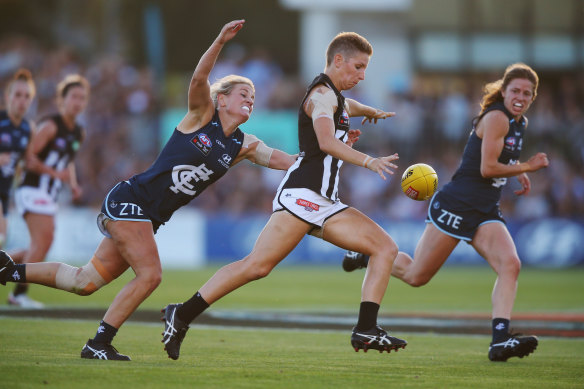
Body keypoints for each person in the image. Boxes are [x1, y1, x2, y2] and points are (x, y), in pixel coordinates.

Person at [0, 19, 299, 361]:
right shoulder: (201, 115)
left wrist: (328, 149)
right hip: (132, 201)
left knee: (84, 282)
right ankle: (99, 343)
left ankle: (8, 270)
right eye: (243, 93)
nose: (250, 99)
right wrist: (218, 41)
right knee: (151, 275)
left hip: (147, 214)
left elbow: (287, 160)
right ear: (221, 100)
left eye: (254, 97)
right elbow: (200, 79)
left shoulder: (245, 145)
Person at [159, 30, 407, 361]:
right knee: (257, 266)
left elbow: (348, 108)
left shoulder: (336, 98)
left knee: (381, 249)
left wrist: (369, 112)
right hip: (304, 196)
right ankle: (182, 314)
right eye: (358, 67)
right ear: (337, 61)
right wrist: (368, 160)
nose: (362, 75)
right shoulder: (323, 96)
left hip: (319, 200)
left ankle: (182, 313)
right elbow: (325, 142)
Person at [341, 63, 549, 362]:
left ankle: (500, 340)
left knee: (511, 265)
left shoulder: (520, 122)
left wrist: (518, 172)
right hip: (457, 205)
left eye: (527, 93)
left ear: (533, 97)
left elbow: (500, 159)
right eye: (515, 90)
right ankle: (365, 255)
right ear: (503, 91)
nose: (520, 96)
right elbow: (487, 168)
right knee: (415, 276)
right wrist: (527, 166)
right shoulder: (497, 118)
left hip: (485, 209)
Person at [5, 74, 89, 309]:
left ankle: (3, 265)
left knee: (38, 246)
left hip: (47, 195)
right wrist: (54, 174)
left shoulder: (78, 132)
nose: (78, 102)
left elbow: (67, 161)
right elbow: (28, 158)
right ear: (62, 100)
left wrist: (72, 183)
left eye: (82, 98)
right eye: (74, 97)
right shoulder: (51, 125)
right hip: (32, 189)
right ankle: (18, 294)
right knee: (44, 240)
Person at [0, 69, 36, 249]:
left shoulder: (28, 128)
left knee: (2, 240)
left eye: (27, 96)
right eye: (18, 95)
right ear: (8, 96)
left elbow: (27, 161)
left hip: (5, 193)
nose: (22, 101)